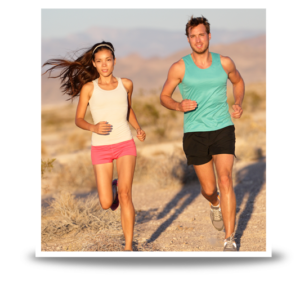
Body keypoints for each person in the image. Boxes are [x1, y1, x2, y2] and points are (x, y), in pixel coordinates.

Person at [43, 41, 146, 251]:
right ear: (94, 64)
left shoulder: (126, 84)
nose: (104, 65)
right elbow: (78, 119)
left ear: (114, 61)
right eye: (100, 61)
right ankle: (114, 188)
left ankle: (128, 248)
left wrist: (138, 128)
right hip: (101, 148)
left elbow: (128, 109)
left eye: (108, 60)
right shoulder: (89, 88)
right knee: (106, 203)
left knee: (127, 195)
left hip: (125, 143)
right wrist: (93, 127)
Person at [160, 16, 244, 251]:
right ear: (188, 39)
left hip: (223, 128)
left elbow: (238, 82)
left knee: (225, 178)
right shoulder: (179, 67)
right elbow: (164, 96)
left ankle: (229, 238)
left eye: (201, 34)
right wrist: (178, 105)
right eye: (193, 36)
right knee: (209, 189)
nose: (198, 40)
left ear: (209, 35)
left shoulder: (224, 62)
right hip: (195, 133)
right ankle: (215, 203)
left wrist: (237, 102)